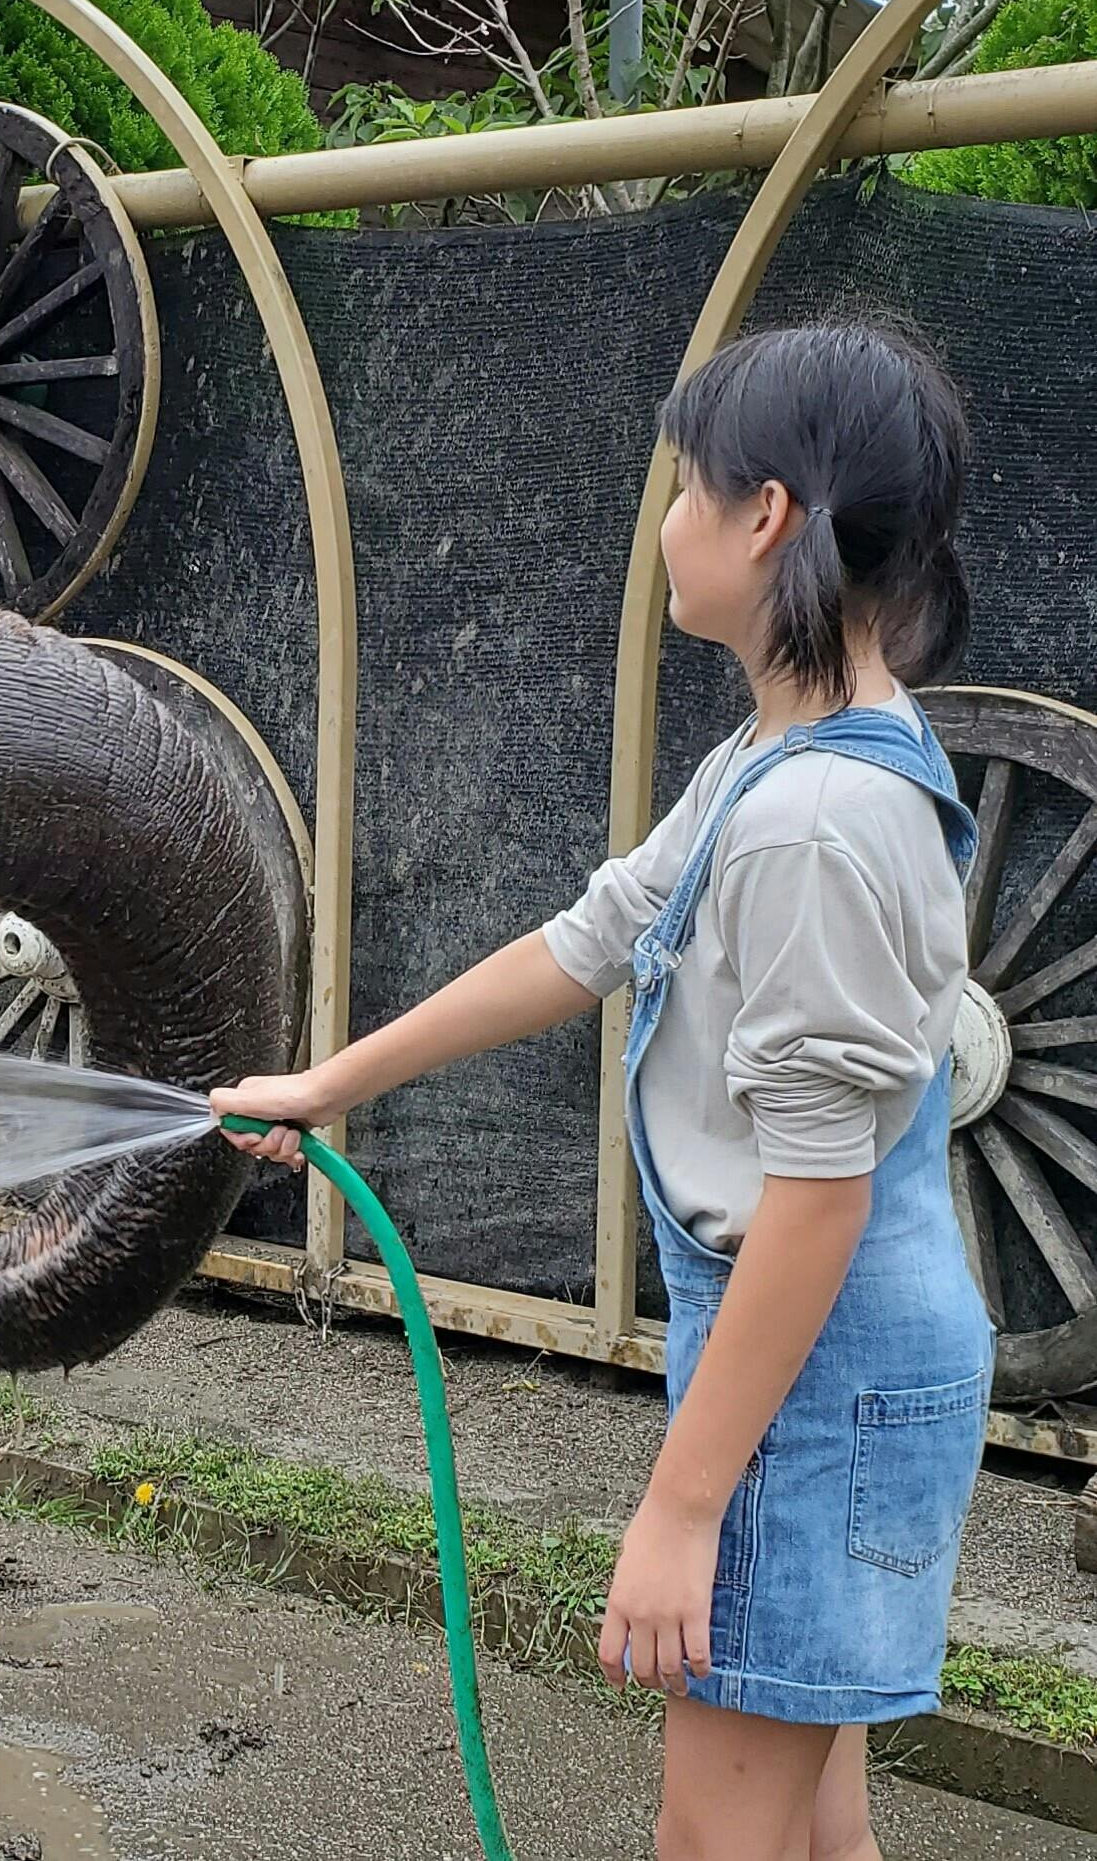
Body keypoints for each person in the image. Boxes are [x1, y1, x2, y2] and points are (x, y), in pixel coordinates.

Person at [212, 323, 992, 1861]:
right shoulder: (790, 756)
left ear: (769, 515)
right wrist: (333, 1079)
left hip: (810, 1376)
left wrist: (684, 1507)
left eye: (685, 490)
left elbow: (820, 1200)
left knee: (714, 1839)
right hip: (813, 1359)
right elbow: (586, 943)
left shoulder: (814, 824)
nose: (665, 525)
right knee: (812, 1824)